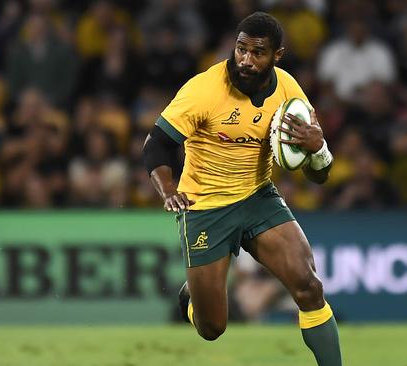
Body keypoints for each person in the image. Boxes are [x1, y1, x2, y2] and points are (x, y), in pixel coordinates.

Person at [141, 12, 341, 366]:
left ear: (277, 55)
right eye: (241, 49)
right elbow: (155, 145)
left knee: (309, 286)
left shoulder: (289, 92)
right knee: (213, 326)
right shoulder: (204, 89)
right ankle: (192, 298)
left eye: (258, 52)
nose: (246, 60)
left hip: (257, 196)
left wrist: (318, 148)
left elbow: (319, 176)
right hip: (205, 206)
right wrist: (168, 189)